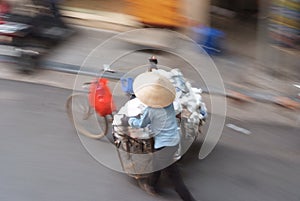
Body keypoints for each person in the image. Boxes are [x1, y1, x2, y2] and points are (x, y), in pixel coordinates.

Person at [121, 72, 197, 201]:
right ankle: (151, 185)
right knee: (157, 164)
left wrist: (128, 120)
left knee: (175, 179)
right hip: (174, 141)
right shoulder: (170, 105)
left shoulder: (151, 110)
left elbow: (141, 123)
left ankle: (188, 199)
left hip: (164, 146)